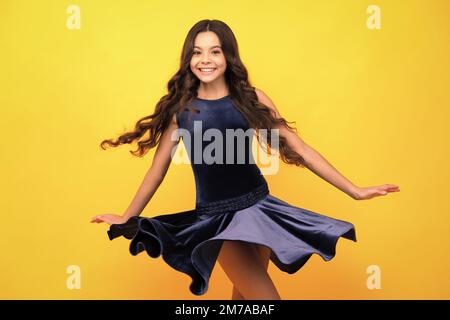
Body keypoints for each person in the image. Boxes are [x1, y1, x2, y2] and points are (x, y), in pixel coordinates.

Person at [90, 19, 400, 300]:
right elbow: (156, 173)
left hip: (259, 210)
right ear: (189, 59)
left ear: (228, 57)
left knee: (244, 301)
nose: (205, 60)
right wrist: (128, 216)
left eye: (215, 52)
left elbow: (301, 150)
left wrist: (355, 190)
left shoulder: (252, 99)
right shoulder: (181, 110)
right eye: (198, 53)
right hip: (217, 221)